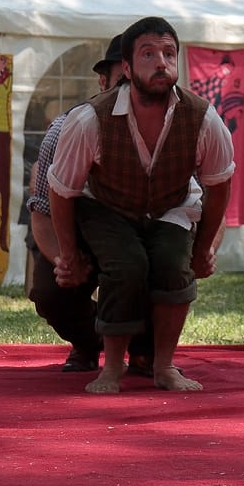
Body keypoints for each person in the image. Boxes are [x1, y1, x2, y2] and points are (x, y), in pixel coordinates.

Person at [48, 16, 235, 394]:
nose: (161, 62)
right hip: (106, 205)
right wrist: (68, 254)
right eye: (148, 54)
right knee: (127, 266)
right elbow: (61, 190)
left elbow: (220, 184)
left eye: (169, 53)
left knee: (171, 265)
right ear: (128, 69)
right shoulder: (88, 120)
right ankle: (112, 369)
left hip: (172, 206)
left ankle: (163, 366)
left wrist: (203, 250)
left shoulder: (204, 119)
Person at [27, 35, 155, 373]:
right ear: (103, 82)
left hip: (139, 233)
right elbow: (41, 209)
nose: (132, 92)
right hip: (73, 230)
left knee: (163, 264)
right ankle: (89, 342)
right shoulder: (65, 129)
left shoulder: (173, 127)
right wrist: (64, 260)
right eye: (123, 80)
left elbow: (196, 197)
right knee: (49, 291)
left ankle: (145, 349)